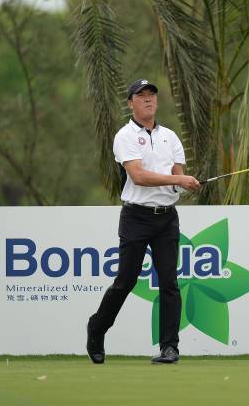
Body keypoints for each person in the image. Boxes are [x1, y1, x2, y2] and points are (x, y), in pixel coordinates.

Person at [86, 79, 201, 364]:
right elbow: (138, 176)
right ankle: (97, 328)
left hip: (166, 219)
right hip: (136, 216)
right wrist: (178, 179)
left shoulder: (170, 137)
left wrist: (183, 184)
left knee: (169, 283)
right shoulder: (124, 136)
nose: (148, 99)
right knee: (125, 281)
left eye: (152, 95)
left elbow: (177, 174)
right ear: (131, 103)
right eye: (142, 96)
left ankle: (169, 347)